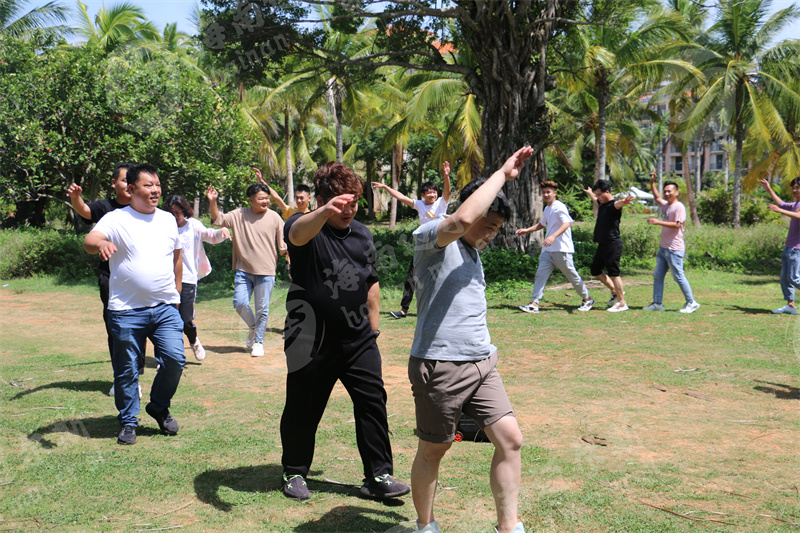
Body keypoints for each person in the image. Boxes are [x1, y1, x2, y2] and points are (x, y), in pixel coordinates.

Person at [408, 147, 533, 533]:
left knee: (510, 440)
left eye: (497, 228)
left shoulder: (472, 253)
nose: (492, 234)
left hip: (482, 362)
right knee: (434, 449)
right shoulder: (432, 239)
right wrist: (503, 174)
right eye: (489, 225)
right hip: (440, 365)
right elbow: (462, 219)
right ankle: (426, 526)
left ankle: (508, 527)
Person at [279, 161, 409, 501]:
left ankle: (378, 475)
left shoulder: (362, 234)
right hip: (309, 339)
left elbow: (371, 280)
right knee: (303, 407)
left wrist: (373, 329)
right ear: (322, 200)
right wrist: (324, 212)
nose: (349, 210)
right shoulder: (304, 226)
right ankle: (294, 472)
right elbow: (296, 235)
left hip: (358, 339)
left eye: (354, 203)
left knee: (372, 403)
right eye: (341, 203)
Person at [82, 163, 186, 446]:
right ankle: (128, 420)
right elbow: (90, 240)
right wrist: (100, 245)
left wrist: (177, 293)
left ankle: (159, 406)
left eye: (158, 184)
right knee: (127, 369)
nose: (155, 190)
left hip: (165, 306)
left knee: (175, 359)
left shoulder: (167, 219)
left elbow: (177, 255)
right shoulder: (117, 218)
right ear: (131, 189)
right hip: (126, 310)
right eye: (148, 185)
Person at [67, 162, 144, 398]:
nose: (129, 185)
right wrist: (76, 198)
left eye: (133, 181)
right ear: (114, 183)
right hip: (111, 278)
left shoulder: (144, 208)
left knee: (140, 327)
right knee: (116, 328)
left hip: (140, 279)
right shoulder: (105, 207)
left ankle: (135, 373)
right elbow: (85, 211)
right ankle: (123, 376)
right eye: (124, 180)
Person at [207, 182, 287, 357]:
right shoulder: (239, 214)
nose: (265, 201)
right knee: (240, 303)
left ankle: (258, 342)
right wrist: (213, 201)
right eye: (261, 198)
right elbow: (218, 219)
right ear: (251, 200)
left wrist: (290, 257)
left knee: (262, 308)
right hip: (243, 270)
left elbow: (283, 246)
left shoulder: (275, 218)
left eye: (267, 198)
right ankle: (254, 327)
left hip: (266, 271)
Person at [371, 162, 451, 319]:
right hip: (423, 245)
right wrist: (385, 187)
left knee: (442, 275)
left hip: (440, 244)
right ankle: (403, 310)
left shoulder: (441, 204)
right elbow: (401, 197)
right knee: (412, 276)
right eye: (429, 192)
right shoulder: (419, 205)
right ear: (423, 195)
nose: (432, 195)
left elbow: (447, 191)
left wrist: (446, 176)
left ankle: (444, 308)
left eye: (434, 192)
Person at [163, 195, 231, 360]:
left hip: (187, 278)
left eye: (178, 212)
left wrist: (222, 232)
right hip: (166, 279)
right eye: (172, 213)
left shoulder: (193, 225)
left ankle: (193, 341)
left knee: (185, 319)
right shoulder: (163, 228)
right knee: (166, 319)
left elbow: (209, 234)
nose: (175, 216)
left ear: (185, 211)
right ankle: (168, 357)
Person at [515, 180, 594, 313]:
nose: (546, 195)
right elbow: (543, 224)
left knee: (571, 275)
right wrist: (527, 230)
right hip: (548, 250)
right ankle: (534, 304)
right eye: (544, 192)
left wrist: (553, 236)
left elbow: (566, 223)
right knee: (540, 275)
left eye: (548, 192)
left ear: (554, 193)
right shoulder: (547, 208)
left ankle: (587, 299)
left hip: (561, 249)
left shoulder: (559, 207)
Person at [644, 172, 701, 313]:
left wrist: (658, 222)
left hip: (674, 249)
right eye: (665, 191)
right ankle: (657, 303)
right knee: (658, 276)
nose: (667, 193)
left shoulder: (678, 207)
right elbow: (657, 198)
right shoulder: (667, 205)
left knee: (678, 276)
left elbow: (677, 224)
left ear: (676, 192)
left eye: (669, 191)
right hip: (663, 248)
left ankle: (692, 302)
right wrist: (652, 183)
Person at [583, 180, 634, 312]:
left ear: (607, 192)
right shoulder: (602, 203)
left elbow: (618, 204)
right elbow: (595, 199)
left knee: (614, 274)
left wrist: (624, 202)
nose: (598, 197)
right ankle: (614, 291)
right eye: (597, 195)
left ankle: (622, 303)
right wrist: (590, 193)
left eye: (600, 194)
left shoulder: (613, 205)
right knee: (595, 270)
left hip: (612, 243)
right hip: (603, 244)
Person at [761, 177, 800, 314]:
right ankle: (790, 306)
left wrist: (779, 211)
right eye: (793, 188)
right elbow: (781, 204)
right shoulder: (796, 204)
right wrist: (769, 189)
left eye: (797, 187)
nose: (794, 190)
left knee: (794, 278)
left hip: (797, 249)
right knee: (784, 278)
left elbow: (798, 216)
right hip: (789, 246)